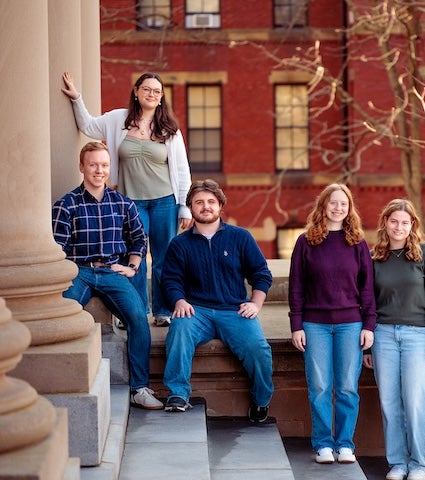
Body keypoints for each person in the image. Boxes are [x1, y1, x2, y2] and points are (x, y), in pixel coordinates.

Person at [61, 71, 192, 328]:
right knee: (134, 255)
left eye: (156, 91)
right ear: (136, 91)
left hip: (165, 201)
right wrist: (77, 99)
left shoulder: (169, 130)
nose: (151, 94)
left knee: (164, 257)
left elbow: (181, 170)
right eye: (146, 89)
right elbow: (88, 126)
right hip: (131, 202)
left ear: (161, 96)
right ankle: (137, 310)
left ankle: (163, 310)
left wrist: (184, 207)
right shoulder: (118, 119)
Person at [52, 141, 162, 410]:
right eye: (93, 165)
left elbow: (139, 239)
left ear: (109, 168)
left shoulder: (123, 204)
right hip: (79, 271)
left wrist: (133, 266)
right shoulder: (66, 205)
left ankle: (140, 389)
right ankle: (64, 382)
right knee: (64, 318)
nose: (99, 170)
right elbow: (57, 249)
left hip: (113, 272)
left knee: (138, 319)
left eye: (103, 165)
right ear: (82, 167)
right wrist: (71, 272)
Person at [161, 180, 274, 419]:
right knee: (179, 331)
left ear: (220, 205)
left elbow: (261, 274)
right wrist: (179, 301)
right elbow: (170, 281)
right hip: (196, 311)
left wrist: (255, 303)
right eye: (199, 202)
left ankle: (261, 400)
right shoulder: (179, 244)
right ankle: (178, 393)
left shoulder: (240, 237)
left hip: (234, 310)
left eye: (211, 202)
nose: (206, 207)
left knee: (259, 349)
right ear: (190, 207)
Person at [289, 183, 376, 465]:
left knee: (348, 387)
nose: (338, 208)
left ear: (349, 209)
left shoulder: (358, 244)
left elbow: (367, 289)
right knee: (320, 387)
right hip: (314, 325)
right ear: (323, 206)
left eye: (344, 204)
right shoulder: (306, 242)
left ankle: (345, 444)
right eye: (333, 203)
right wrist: (296, 325)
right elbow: (296, 287)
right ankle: (324, 444)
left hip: (351, 324)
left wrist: (368, 325)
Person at [363, 199, 425, 480]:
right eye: (394, 221)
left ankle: (419, 464)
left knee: (417, 401)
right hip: (383, 335)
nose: (399, 227)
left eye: (405, 223)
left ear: (412, 226)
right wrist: (369, 344)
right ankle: (397, 463)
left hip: (417, 335)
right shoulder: (375, 257)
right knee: (389, 402)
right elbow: (369, 302)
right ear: (385, 223)